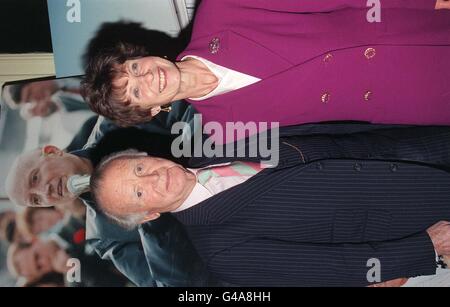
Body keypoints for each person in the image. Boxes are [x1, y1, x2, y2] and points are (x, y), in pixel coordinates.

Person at [90, 125, 450, 286]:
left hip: (413, 144)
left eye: (139, 168)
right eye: (139, 193)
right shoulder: (221, 252)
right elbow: (332, 268)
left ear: (143, 155)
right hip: (418, 208)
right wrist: (425, 247)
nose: (152, 179)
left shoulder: (213, 138)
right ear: (150, 215)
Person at [81, 0, 450, 142]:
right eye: (136, 92)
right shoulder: (226, 134)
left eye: (134, 68)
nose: (146, 78)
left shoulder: (220, 11)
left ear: (141, 55)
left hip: (405, 31)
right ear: (150, 111)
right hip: (407, 100)